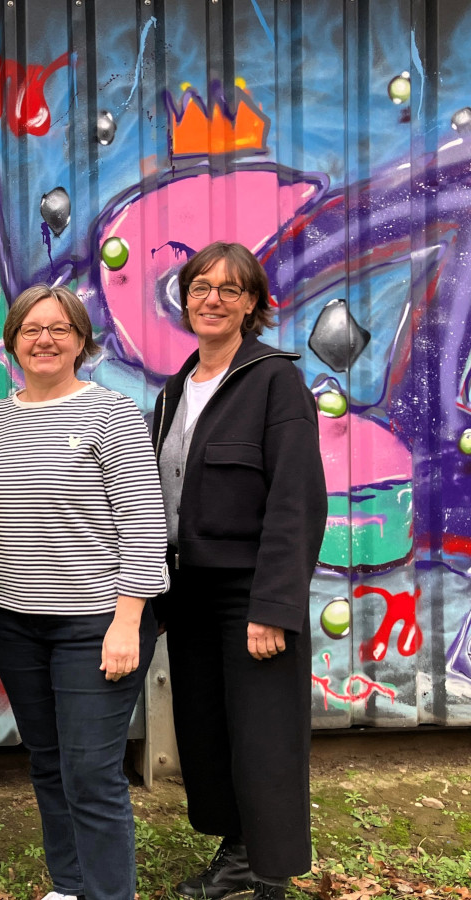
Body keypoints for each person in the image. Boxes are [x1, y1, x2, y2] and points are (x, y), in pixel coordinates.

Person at [0, 284, 168, 900]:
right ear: (12, 342)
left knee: (91, 770)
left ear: (81, 341)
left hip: (97, 623)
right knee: (48, 760)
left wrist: (128, 622)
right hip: (13, 621)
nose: (44, 340)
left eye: (59, 329)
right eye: (31, 329)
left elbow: (143, 522)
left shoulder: (112, 414)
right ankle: (70, 883)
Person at [153, 242, 326, 900]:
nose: (213, 300)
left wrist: (273, 607)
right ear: (185, 299)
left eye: (230, 289)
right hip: (189, 591)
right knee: (209, 731)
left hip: (249, 592)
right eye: (201, 288)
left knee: (264, 736)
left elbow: (295, 500)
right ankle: (239, 854)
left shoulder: (275, 381)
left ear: (252, 303)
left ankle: (269, 877)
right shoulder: (175, 391)